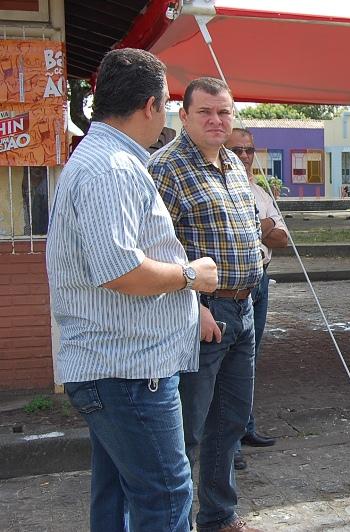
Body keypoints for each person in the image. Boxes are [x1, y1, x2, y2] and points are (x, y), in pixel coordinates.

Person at [46, 48, 218, 532]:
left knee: (119, 494)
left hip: (120, 366)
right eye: (167, 103)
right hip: (127, 369)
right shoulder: (113, 168)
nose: (166, 114)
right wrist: (190, 275)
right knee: (166, 492)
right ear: (150, 105)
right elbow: (121, 270)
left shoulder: (108, 160)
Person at [148, 78, 265, 532]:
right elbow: (152, 247)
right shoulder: (167, 167)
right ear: (184, 116)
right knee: (186, 429)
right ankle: (171, 522)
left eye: (224, 112)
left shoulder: (233, 162)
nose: (217, 120)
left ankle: (218, 516)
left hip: (244, 310)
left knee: (229, 422)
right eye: (205, 112)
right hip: (201, 314)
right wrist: (192, 305)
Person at [226, 127, 289, 470]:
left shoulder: (261, 193)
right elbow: (238, 235)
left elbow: (282, 238)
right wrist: (262, 225)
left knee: (249, 359)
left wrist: (258, 226)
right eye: (237, 150)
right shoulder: (222, 188)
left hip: (261, 278)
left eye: (249, 150)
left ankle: (245, 426)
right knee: (228, 364)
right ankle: (229, 441)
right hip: (232, 286)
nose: (245, 157)